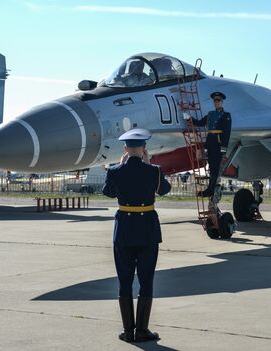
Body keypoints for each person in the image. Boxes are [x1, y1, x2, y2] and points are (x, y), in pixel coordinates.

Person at [102, 128, 171, 343]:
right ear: (143, 149)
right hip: (147, 231)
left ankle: (127, 331)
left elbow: (108, 192)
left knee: (124, 281)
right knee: (146, 280)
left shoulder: (114, 171)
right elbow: (165, 190)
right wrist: (150, 165)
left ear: (125, 149)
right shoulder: (154, 171)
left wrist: (120, 166)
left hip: (124, 231)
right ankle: (142, 330)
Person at [184, 91, 232, 197]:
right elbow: (200, 123)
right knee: (211, 165)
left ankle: (211, 189)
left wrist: (224, 148)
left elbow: (227, 133)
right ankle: (210, 189)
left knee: (215, 166)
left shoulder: (226, 116)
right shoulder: (210, 114)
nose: (216, 103)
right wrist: (189, 118)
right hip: (210, 142)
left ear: (222, 102)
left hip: (218, 143)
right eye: (215, 101)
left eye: (218, 101)